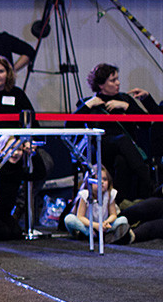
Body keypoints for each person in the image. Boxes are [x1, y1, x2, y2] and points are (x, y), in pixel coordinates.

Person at [74, 63, 156, 203]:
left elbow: (146, 123)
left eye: (117, 79)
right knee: (121, 140)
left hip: (124, 150)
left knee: (121, 160)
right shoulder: (88, 103)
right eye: (113, 80)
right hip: (100, 147)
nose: (118, 83)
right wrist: (88, 105)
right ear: (101, 85)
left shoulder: (125, 99)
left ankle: (118, 202)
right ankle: (150, 185)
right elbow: (70, 124)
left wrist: (126, 107)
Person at [63, 166, 129, 243]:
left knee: (123, 220)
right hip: (88, 225)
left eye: (105, 179)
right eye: (97, 179)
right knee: (69, 219)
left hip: (104, 226)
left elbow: (113, 214)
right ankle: (89, 234)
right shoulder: (85, 195)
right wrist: (95, 225)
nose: (102, 182)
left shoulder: (110, 194)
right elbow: (80, 217)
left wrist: (105, 223)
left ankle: (105, 234)